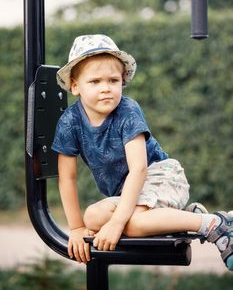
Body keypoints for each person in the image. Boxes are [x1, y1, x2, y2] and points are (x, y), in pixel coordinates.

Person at [52, 34, 233, 270]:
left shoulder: (127, 110)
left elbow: (139, 168)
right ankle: (182, 217)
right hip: (129, 192)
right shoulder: (69, 122)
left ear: (122, 81)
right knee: (92, 217)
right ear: (75, 86)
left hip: (160, 176)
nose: (106, 88)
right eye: (95, 82)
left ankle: (215, 224)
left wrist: (117, 222)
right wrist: (76, 228)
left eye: (113, 80)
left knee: (132, 224)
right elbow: (67, 177)